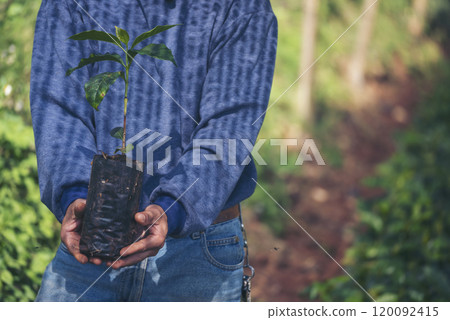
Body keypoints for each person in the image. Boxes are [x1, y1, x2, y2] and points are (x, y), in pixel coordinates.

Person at [31, 0, 277, 301]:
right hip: (93, 243)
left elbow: (231, 122)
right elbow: (58, 107)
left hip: (197, 256)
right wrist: (75, 196)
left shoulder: (239, 6)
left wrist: (172, 209)